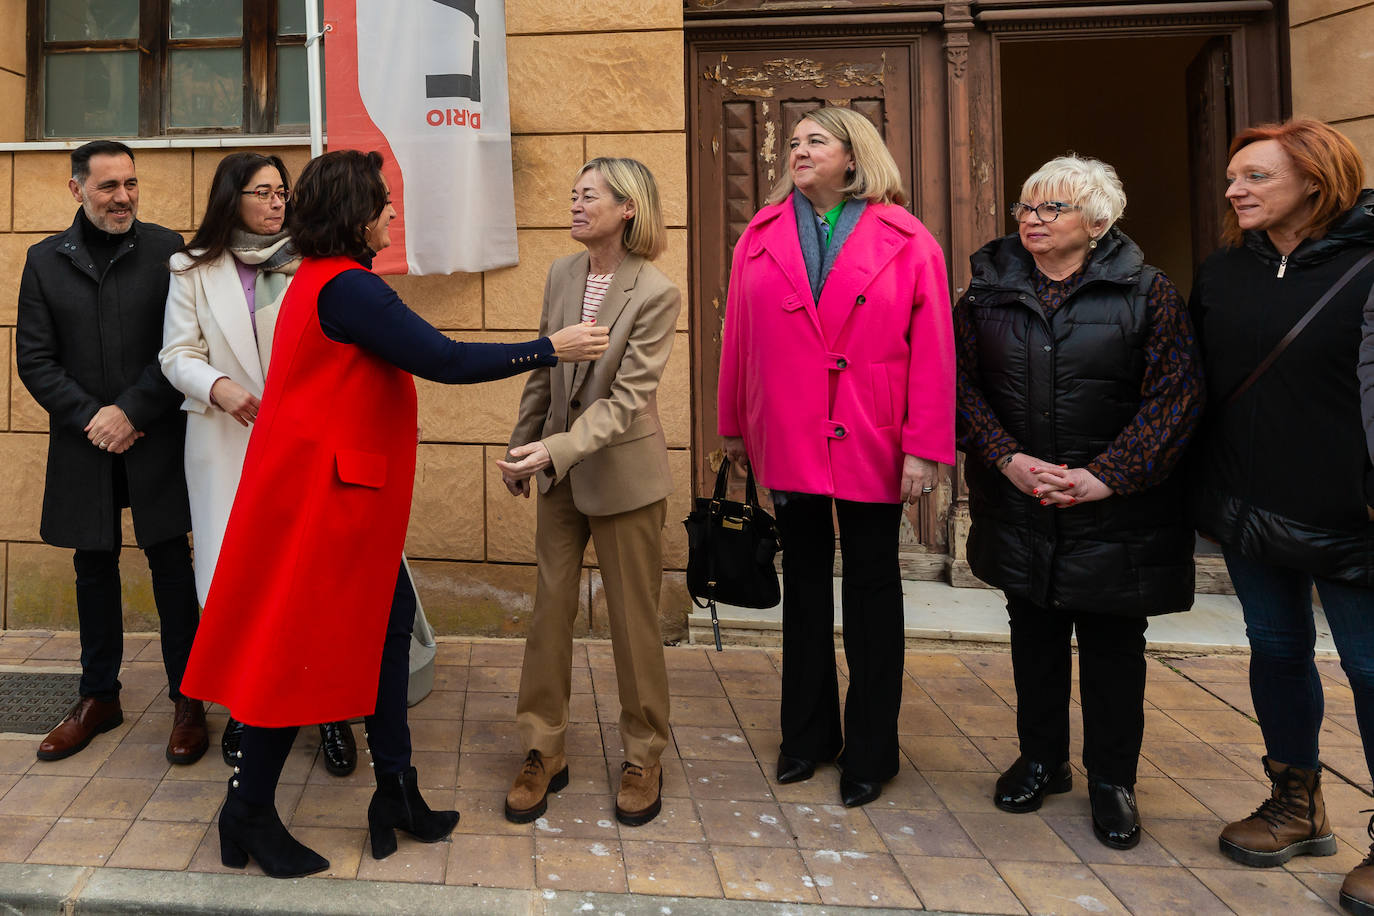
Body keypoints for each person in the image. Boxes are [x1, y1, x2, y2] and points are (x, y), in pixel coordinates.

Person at [178, 150, 609, 878]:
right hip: (327, 505)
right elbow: (443, 358)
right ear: (356, 214)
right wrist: (550, 348)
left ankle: (396, 790)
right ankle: (247, 811)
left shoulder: (325, 281)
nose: (391, 214)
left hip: (333, 498)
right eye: (382, 203)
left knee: (388, 634)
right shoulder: (347, 289)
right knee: (297, 653)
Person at [955, 155, 1203, 850]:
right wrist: (1005, 458)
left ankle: (1112, 781)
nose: (1032, 219)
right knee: (1031, 635)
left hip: (1116, 508)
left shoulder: (1148, 293)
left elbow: (1176, 397)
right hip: (1022, 499)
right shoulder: (986, 294)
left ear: (1097, 222)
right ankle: (1041, 760)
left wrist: (1108, 475)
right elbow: (959, 385)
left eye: (1051, 209)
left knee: (1113, 647)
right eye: (1026, 208)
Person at [717, 107, 955, 808]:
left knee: (874, 592)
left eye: (815, 141)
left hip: (872, 434)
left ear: (855, 157)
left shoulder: (908, 239)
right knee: (806, 585)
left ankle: (872, 750)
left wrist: (925, 448)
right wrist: (734, 427)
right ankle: (806, 738)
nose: (799, 150)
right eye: (792, 142)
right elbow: (738, 340)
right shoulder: (758, 236)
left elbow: (936, 352)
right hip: (787, 432)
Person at [1189, 119, 1374, 911]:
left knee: (1371, 670)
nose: (1235, 189)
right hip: (1251, 507)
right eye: (1233, 176)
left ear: (1316, 178)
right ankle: (1296, 805)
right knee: (1277, 651)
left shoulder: (1369, 264)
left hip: (1356, 515)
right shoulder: (1225, 271)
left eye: (1256, 176)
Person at [159, 152, 356, 778]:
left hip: (307, 444)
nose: (278, 203)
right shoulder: (192, 268)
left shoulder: (318, 262)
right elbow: (175, 353)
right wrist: (217, 385)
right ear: (232, 199)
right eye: (263, 192)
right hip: (228, 440)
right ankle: (246, 708)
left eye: (283, 191)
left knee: (314, 575)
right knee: (237, 579)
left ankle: (328, 710)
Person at [499, 157, 679, 827]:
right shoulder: (561, 273)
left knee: (634, 624)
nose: (575, 204)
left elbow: (629, 400)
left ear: (627, 207)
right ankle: (542, 749)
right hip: (555, 470)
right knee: (549, 611)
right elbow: (545, 372)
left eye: (588, 196)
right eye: (572, 194)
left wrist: (558, 448)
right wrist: (524, 448)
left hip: (623, 477)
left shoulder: (656, 291)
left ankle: (644, 753)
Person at [16, 140, 207, 767]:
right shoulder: (43, 262)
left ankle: (189, 699)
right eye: (108, 187)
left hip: (153, 435)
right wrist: (93, 417)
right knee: (92, 568)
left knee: (171, 566)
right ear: (77, 189)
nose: (123, 197)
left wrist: (131, 411)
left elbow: (182, 345)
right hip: (86, 444)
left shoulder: (167, 250)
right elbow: (36, 361)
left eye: (130, 183)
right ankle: (98, 697)